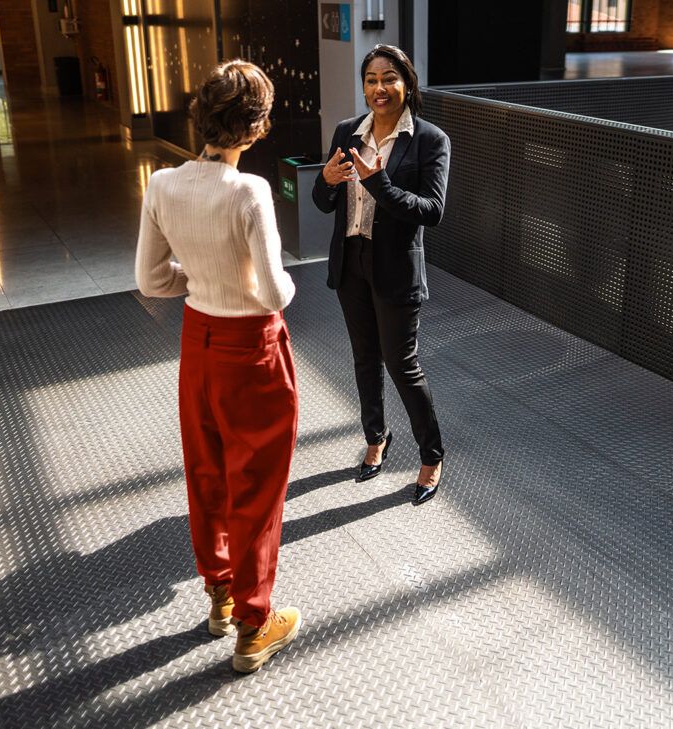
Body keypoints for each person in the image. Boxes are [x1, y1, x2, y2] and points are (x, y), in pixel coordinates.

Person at [135, 60, 301, 674]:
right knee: (257, 484)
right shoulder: (250, 191)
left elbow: (151, 280)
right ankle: (257, 627)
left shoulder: (161, 185)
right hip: (251, 348)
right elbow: (275, 293)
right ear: (255, 129)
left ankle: (221, 597)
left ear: (201, 117)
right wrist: (252, 277)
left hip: (197, 344)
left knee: (207, 473)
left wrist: (200, 276)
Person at [311, 44, 450, 507]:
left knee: (402, 365)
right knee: (364, 359)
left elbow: (431, 211)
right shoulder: (348, 131)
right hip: (351, 261)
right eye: (371, 79)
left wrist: (380, 183)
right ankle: (376, 437)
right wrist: (327, 181)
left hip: (395, 267)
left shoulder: (430, 140)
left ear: (407, 84)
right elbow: (321, 198)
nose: (379, 88)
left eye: (389, 78)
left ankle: (431, 455)